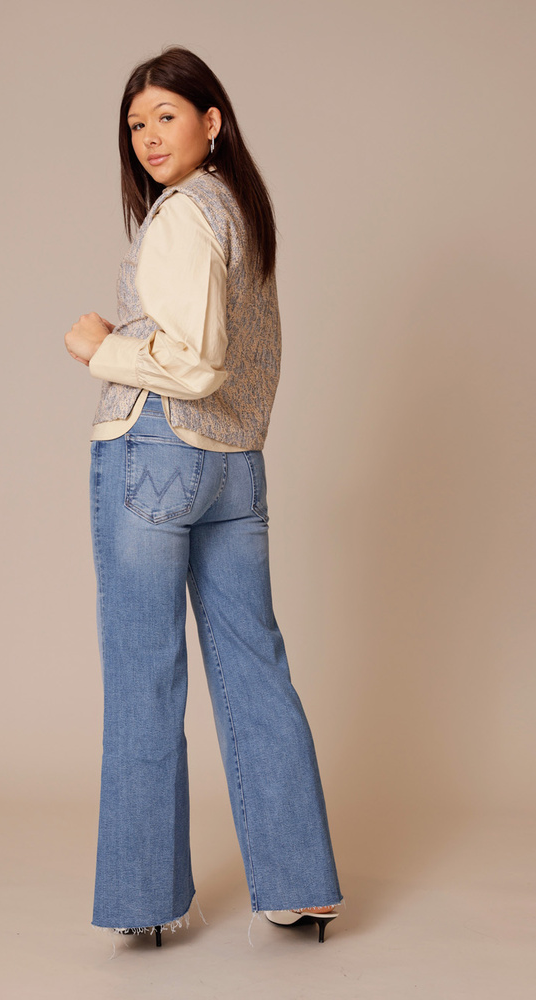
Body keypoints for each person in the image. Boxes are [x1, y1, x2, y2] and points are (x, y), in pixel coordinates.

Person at [65, 46, 343, 947]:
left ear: (211, 120)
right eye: (135, 124)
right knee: (256, 666)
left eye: (166, 116)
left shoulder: (184, 213)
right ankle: (301, 886)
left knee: (144, 675)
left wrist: (100, 348)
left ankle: (145, 902)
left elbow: (198, 361)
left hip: (156, 451)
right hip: (234, 462)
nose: (148, 136)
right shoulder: (241, 210)